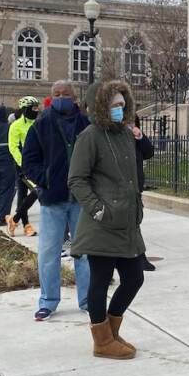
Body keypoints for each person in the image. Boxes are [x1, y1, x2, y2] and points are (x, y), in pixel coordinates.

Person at [68, 80, 147, 359]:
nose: (120, 110)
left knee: (134, 277)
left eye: (123, 105)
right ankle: (101, 341)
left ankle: (111, 330)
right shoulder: (90, 136)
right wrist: (97, 208)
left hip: (127, 222)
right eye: (115, 105)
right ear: (102, 106)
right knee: (100, 282)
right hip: (102, 223)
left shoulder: (125, 134)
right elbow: (76, 178)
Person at [22, 80, 91, 321]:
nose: (62, 97)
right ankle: (48, 301)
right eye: (57, 94)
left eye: (66, 94)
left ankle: (88, 299)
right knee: (48, 252)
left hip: (81, 200)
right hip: (54, 199)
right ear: (51, 97)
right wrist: (46, 180)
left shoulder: (86, 124)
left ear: (74, 97)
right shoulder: (41, 125)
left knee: (84, 253)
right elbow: (28, 161)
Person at [5, 96, 40, 237]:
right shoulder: (16, 126)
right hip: (23, 165)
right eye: (34, 108)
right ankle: (23, 224)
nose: (37, 111)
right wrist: (24, 164)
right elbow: (13, 148)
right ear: (26, 109)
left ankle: (16, 221)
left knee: (23, 194)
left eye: (38, 108)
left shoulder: (39, 123)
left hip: (38, 164)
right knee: (37, 190)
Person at [132, 116, 156, 270]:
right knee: (133, 224)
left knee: (135, 222)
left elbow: (149, 152)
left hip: (135, 187)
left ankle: (139, 257)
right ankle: (140, 257)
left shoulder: (136, 138)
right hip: (120, 188)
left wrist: (140, 136)